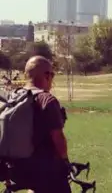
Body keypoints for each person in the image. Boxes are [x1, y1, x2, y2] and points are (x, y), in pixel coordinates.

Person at [11, 55, 71, 193]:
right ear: (47, 75)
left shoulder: (15, 96)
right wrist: (65, 162)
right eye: (52, 75)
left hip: (16, 169)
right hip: (45, 170)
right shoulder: (47, 99)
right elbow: (58, 137)